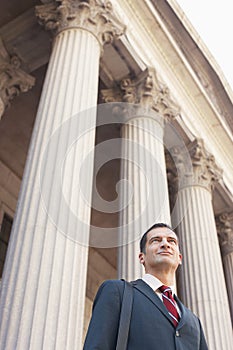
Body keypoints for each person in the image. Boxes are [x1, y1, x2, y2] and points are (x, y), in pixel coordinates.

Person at [83, 223, 208, 349]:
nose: (165, 244)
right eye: (156, 240)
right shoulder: (117, 291)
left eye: (172, 241)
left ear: (179, 258)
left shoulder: (194, 321)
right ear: (142, 257)